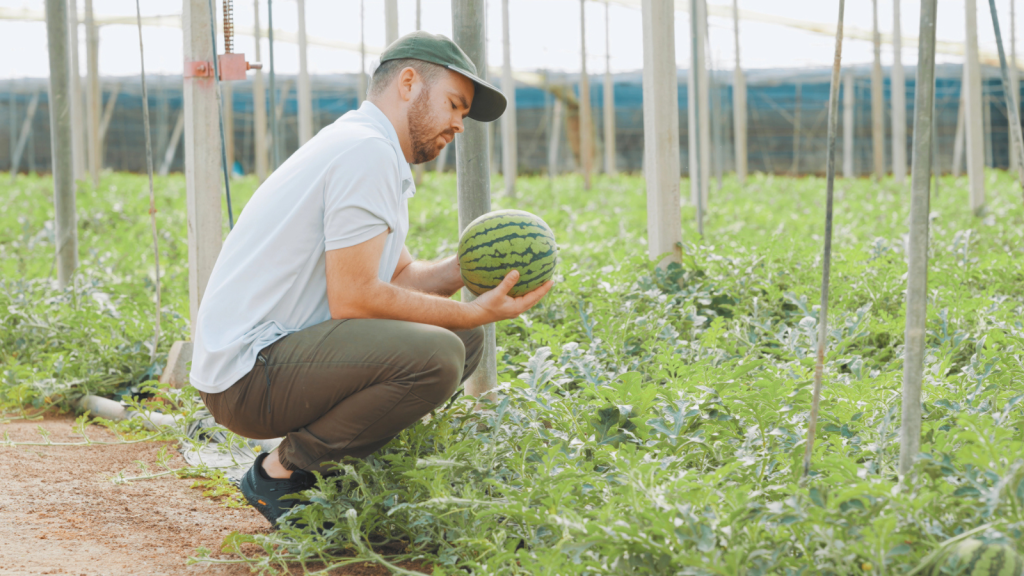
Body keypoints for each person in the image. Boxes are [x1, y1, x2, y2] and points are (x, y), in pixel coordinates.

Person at [188, 31, 554, 526]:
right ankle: (283, 472)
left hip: (271, 361)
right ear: (408, 83)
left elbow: (398, 276)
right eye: (453, 105)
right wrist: (470, 309)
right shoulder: (366, 152)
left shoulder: (366, 145)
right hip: (248, 375)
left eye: (463, 115)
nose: (458, 125)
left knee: (460, 338)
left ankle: (338, 457)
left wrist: (464, 272)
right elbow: (355, 297)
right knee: (440, 352)